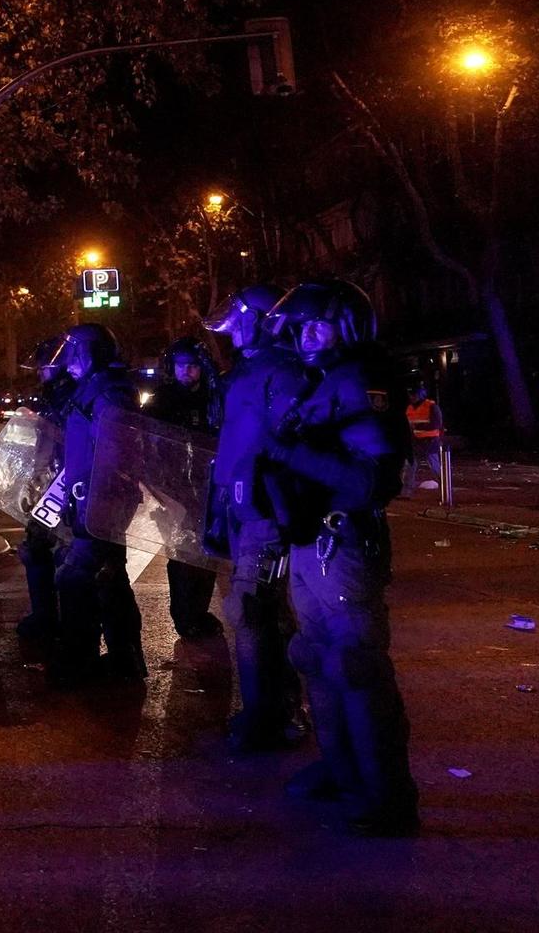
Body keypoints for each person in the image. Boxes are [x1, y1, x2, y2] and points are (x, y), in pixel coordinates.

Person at [261, 280, 418, 836]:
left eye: (317, 325)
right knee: (313, 656)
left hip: (345, 545)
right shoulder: (322, 381)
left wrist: (291, 454)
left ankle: (387, 798)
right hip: (310, 543)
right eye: (300, 327)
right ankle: (342, 769)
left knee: (357, 666)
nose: (306, 336)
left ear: (346, 325)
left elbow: (370, 481)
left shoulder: (361, 382)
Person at [206, 284, 308, 754]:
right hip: (243, 510)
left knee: (253, 613)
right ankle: (275, 711)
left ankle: (269, 716)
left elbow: (285, 448)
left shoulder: (280, 371)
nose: (232, 330)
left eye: (239, 319)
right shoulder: (248, 371)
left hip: (264, 511)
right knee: (260, 613)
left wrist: (270, 504)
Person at [49, 324, 146, 687]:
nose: (68, 362)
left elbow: (112, 456)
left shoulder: (110, 394)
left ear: (92, 353)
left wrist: (90, 503)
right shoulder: (93, 390)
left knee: (76, 579)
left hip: (101, 503)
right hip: (92, 500)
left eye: (74, 353)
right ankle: (126, 660)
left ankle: (79, 662)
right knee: (110, 579)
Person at [146, 336, 225, 640]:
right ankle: (183, 617)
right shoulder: (161, 400)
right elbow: (149, 443)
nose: (186, 372)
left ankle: (200, 613)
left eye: (192, 366)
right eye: (181, 366)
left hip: (208, 487)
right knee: (180, 555)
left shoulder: (212, 398)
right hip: (174, 487)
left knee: (207, 554)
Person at [17, 334, 73, 641]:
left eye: (45, 366)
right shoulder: (52, 396)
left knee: (57, 554)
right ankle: (46, 617)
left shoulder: (70, 397)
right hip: (48, 485)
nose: (40, 372)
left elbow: (64, 443)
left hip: (63, 486)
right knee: (36, 549)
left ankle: (58, 622)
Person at [405, 381, 446, 491]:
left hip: (430, 441)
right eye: (410, 395)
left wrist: (417, 426)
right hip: (415, 441)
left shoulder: (431, 406)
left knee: (435, 466)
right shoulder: (409, 408)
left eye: (414, 394)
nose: (412, 397)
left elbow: (436, 424)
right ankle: (406, 492)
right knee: (410, 466)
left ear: (421, 394)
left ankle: (446, 488)